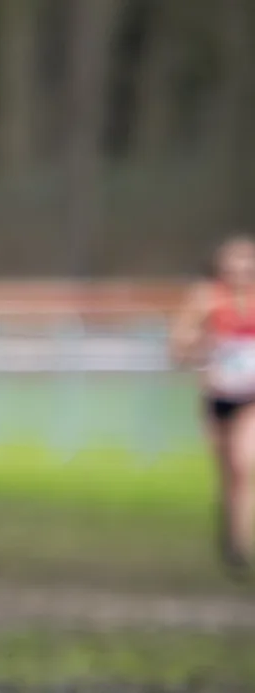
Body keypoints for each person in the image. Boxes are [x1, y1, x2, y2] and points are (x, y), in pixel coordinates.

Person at [171, 234, 255, 575]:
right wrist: (198, 346)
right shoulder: (205, 299)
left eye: (247, 265)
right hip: (218, 396)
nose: (240, 272)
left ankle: (239, 543)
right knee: (226, 474)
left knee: (242, 465)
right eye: (233, 265)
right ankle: (229, 527)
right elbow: (178, 348)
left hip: (251, 397)